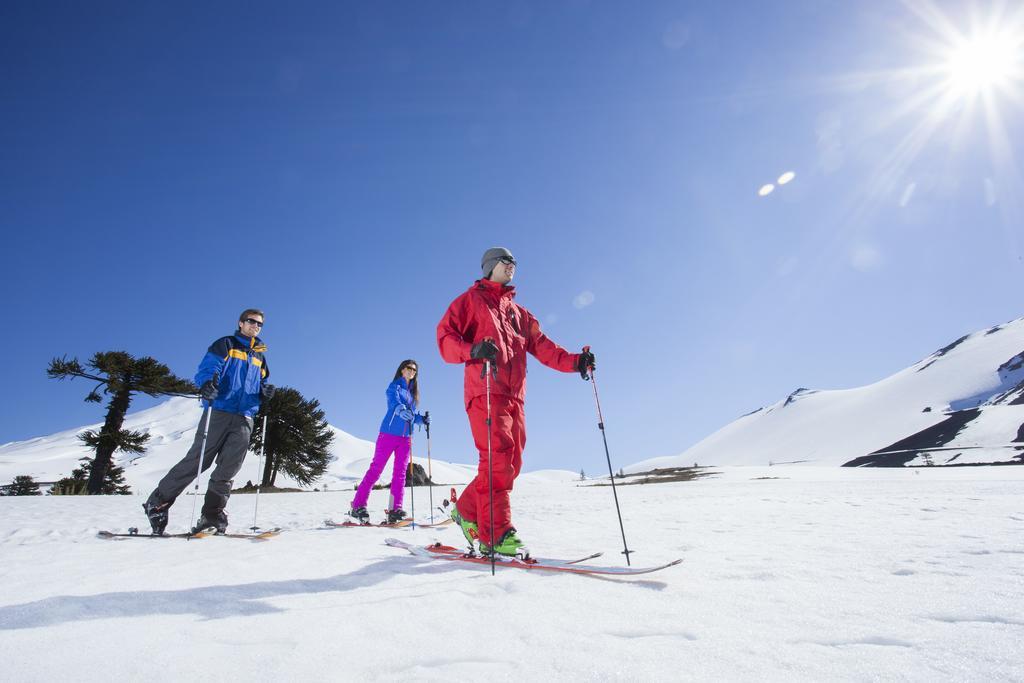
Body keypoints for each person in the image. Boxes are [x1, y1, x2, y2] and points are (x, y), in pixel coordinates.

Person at [437, 247, 595, 557]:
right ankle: (496, 535)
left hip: (514, 396)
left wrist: (576, 362)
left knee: (511, 463)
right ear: (491, 266)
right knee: (498, 458)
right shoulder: (469, 301)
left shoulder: (520, 314)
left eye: (514, 262)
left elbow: (545, 348)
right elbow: (445, 339)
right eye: (506, 261)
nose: (512, 266)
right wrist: (473, 350)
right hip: (484, 389)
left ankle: (467, 511)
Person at [143, 309, 275, 534]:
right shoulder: (226, 344)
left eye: (259, 324)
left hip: (245, 416)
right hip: (220, 410)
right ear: (240, 323)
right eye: (251, 321)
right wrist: (206, 383)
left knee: (229, 467)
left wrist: (264, 392)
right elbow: (208, 368)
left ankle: (211, 515)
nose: (255, 326)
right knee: (198, 460)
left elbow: (262, 381)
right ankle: (158, 502)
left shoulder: (259, 356)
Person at [348, 360, 428, 525]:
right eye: (409, 368)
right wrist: (399, 410)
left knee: (400, 473)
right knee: (376, 470)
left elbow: (412, 415)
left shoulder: (413, 394)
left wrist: (423, 419)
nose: (412, 371)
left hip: (406, 439)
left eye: (414, 370)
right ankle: (357, 505)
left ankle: (395, 509)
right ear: (402, 370)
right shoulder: (395, 387)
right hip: (389, 434)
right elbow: (393, 402)